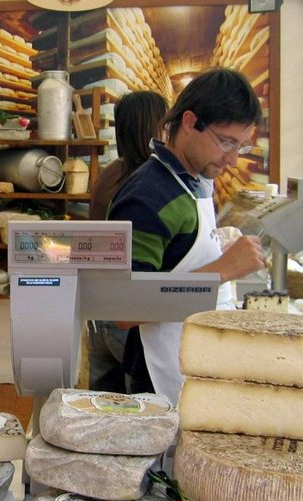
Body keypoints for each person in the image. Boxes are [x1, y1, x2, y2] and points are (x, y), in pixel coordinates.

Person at [107, 68, 265, 403]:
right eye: (226, 142)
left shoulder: (192, 180)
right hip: (160, 379)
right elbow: (125, 308)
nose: (233, 159)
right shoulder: (147, 196)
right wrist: (224, 269)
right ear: (191, 122)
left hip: (193, 361)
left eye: (242, 146)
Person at [87, 90, 168, 393]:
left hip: (98, 312)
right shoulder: (148, 184)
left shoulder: (109, 175)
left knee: (103, 412)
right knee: (138, 414)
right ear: (155, 127)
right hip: (129, 319)